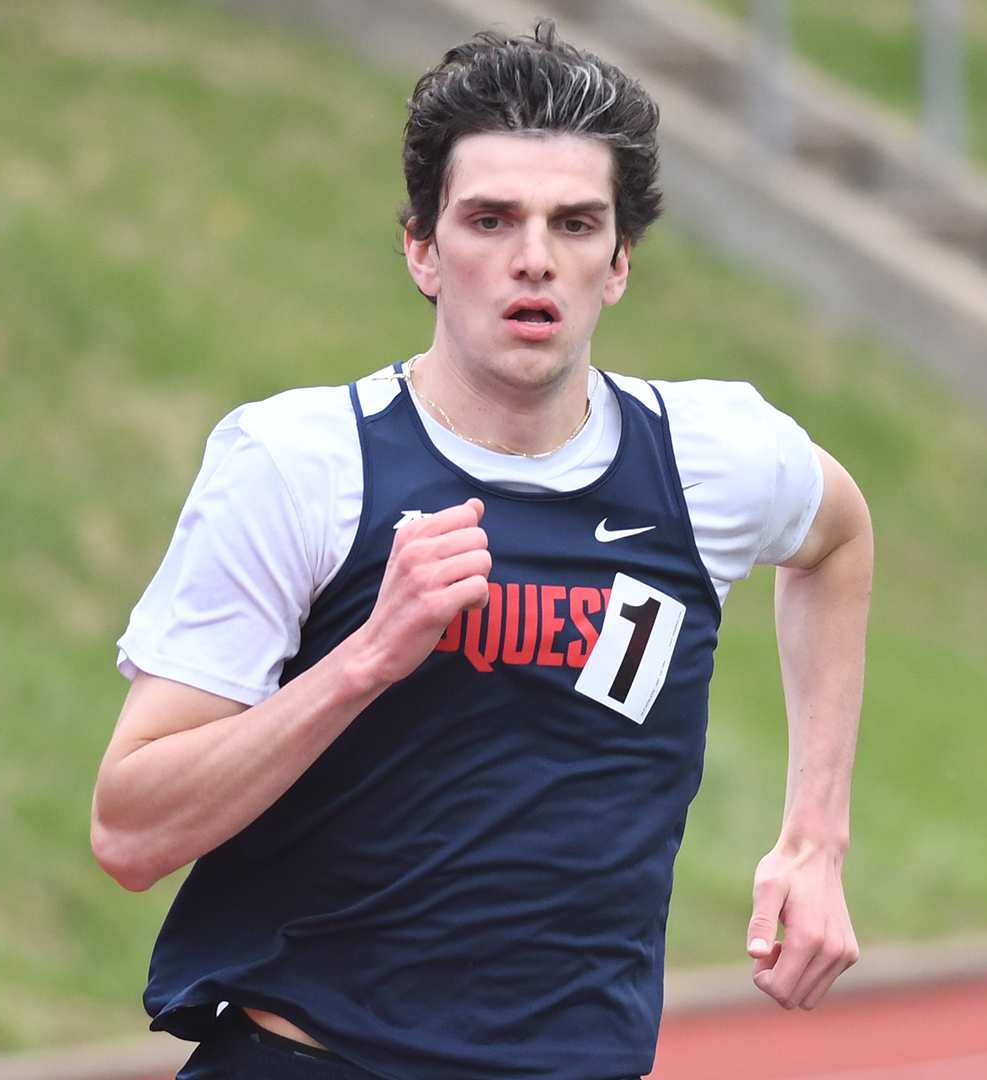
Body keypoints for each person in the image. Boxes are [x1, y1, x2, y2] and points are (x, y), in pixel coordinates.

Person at [91, 21, 871, 1080]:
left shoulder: (710, 463)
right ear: (422, 248)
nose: (534, 258)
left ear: (619, 262)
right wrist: (364, 659)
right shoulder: (306, 464)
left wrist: (814, 839)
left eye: (575, 223)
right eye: (491, 219)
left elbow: (837, 538)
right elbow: (131, 831)